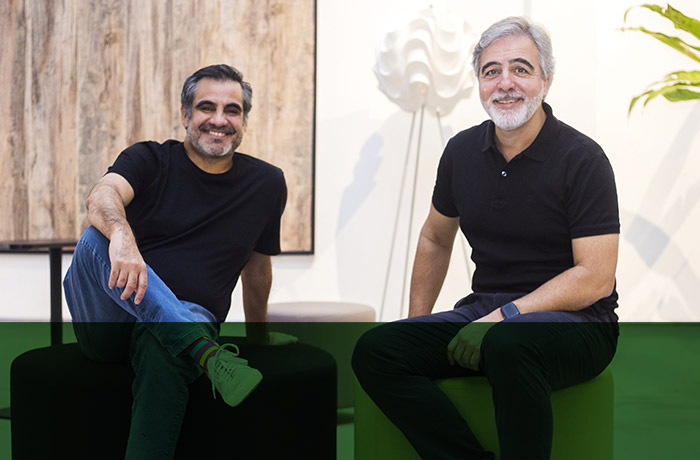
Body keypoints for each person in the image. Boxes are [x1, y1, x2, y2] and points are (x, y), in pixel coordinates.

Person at [352, 16, 620, 460]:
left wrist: (504, 317)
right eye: (491, 71)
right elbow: (435, 239)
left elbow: (595, 277)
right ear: (479, 83)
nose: (505, 83)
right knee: (376, 350)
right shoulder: (460, 152)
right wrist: (415, 324)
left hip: (580, 323)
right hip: (487, 311)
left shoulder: (583, 158)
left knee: (508, 343)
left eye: (521, 68)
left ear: (546, 81)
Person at [63, 64, 295, 459]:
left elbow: (257, 269)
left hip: (191, 314)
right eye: (206, 107)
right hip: (109, 321)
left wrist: (259, 337)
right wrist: (122, 236)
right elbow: (102, 197)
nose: (219, 120)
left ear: (244, 121)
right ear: (186, 115)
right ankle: (207, 354)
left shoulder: (267, 184)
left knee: (164, 347)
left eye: (232, 110)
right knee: (93, 237)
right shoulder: (149, 159)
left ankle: (188, 340)